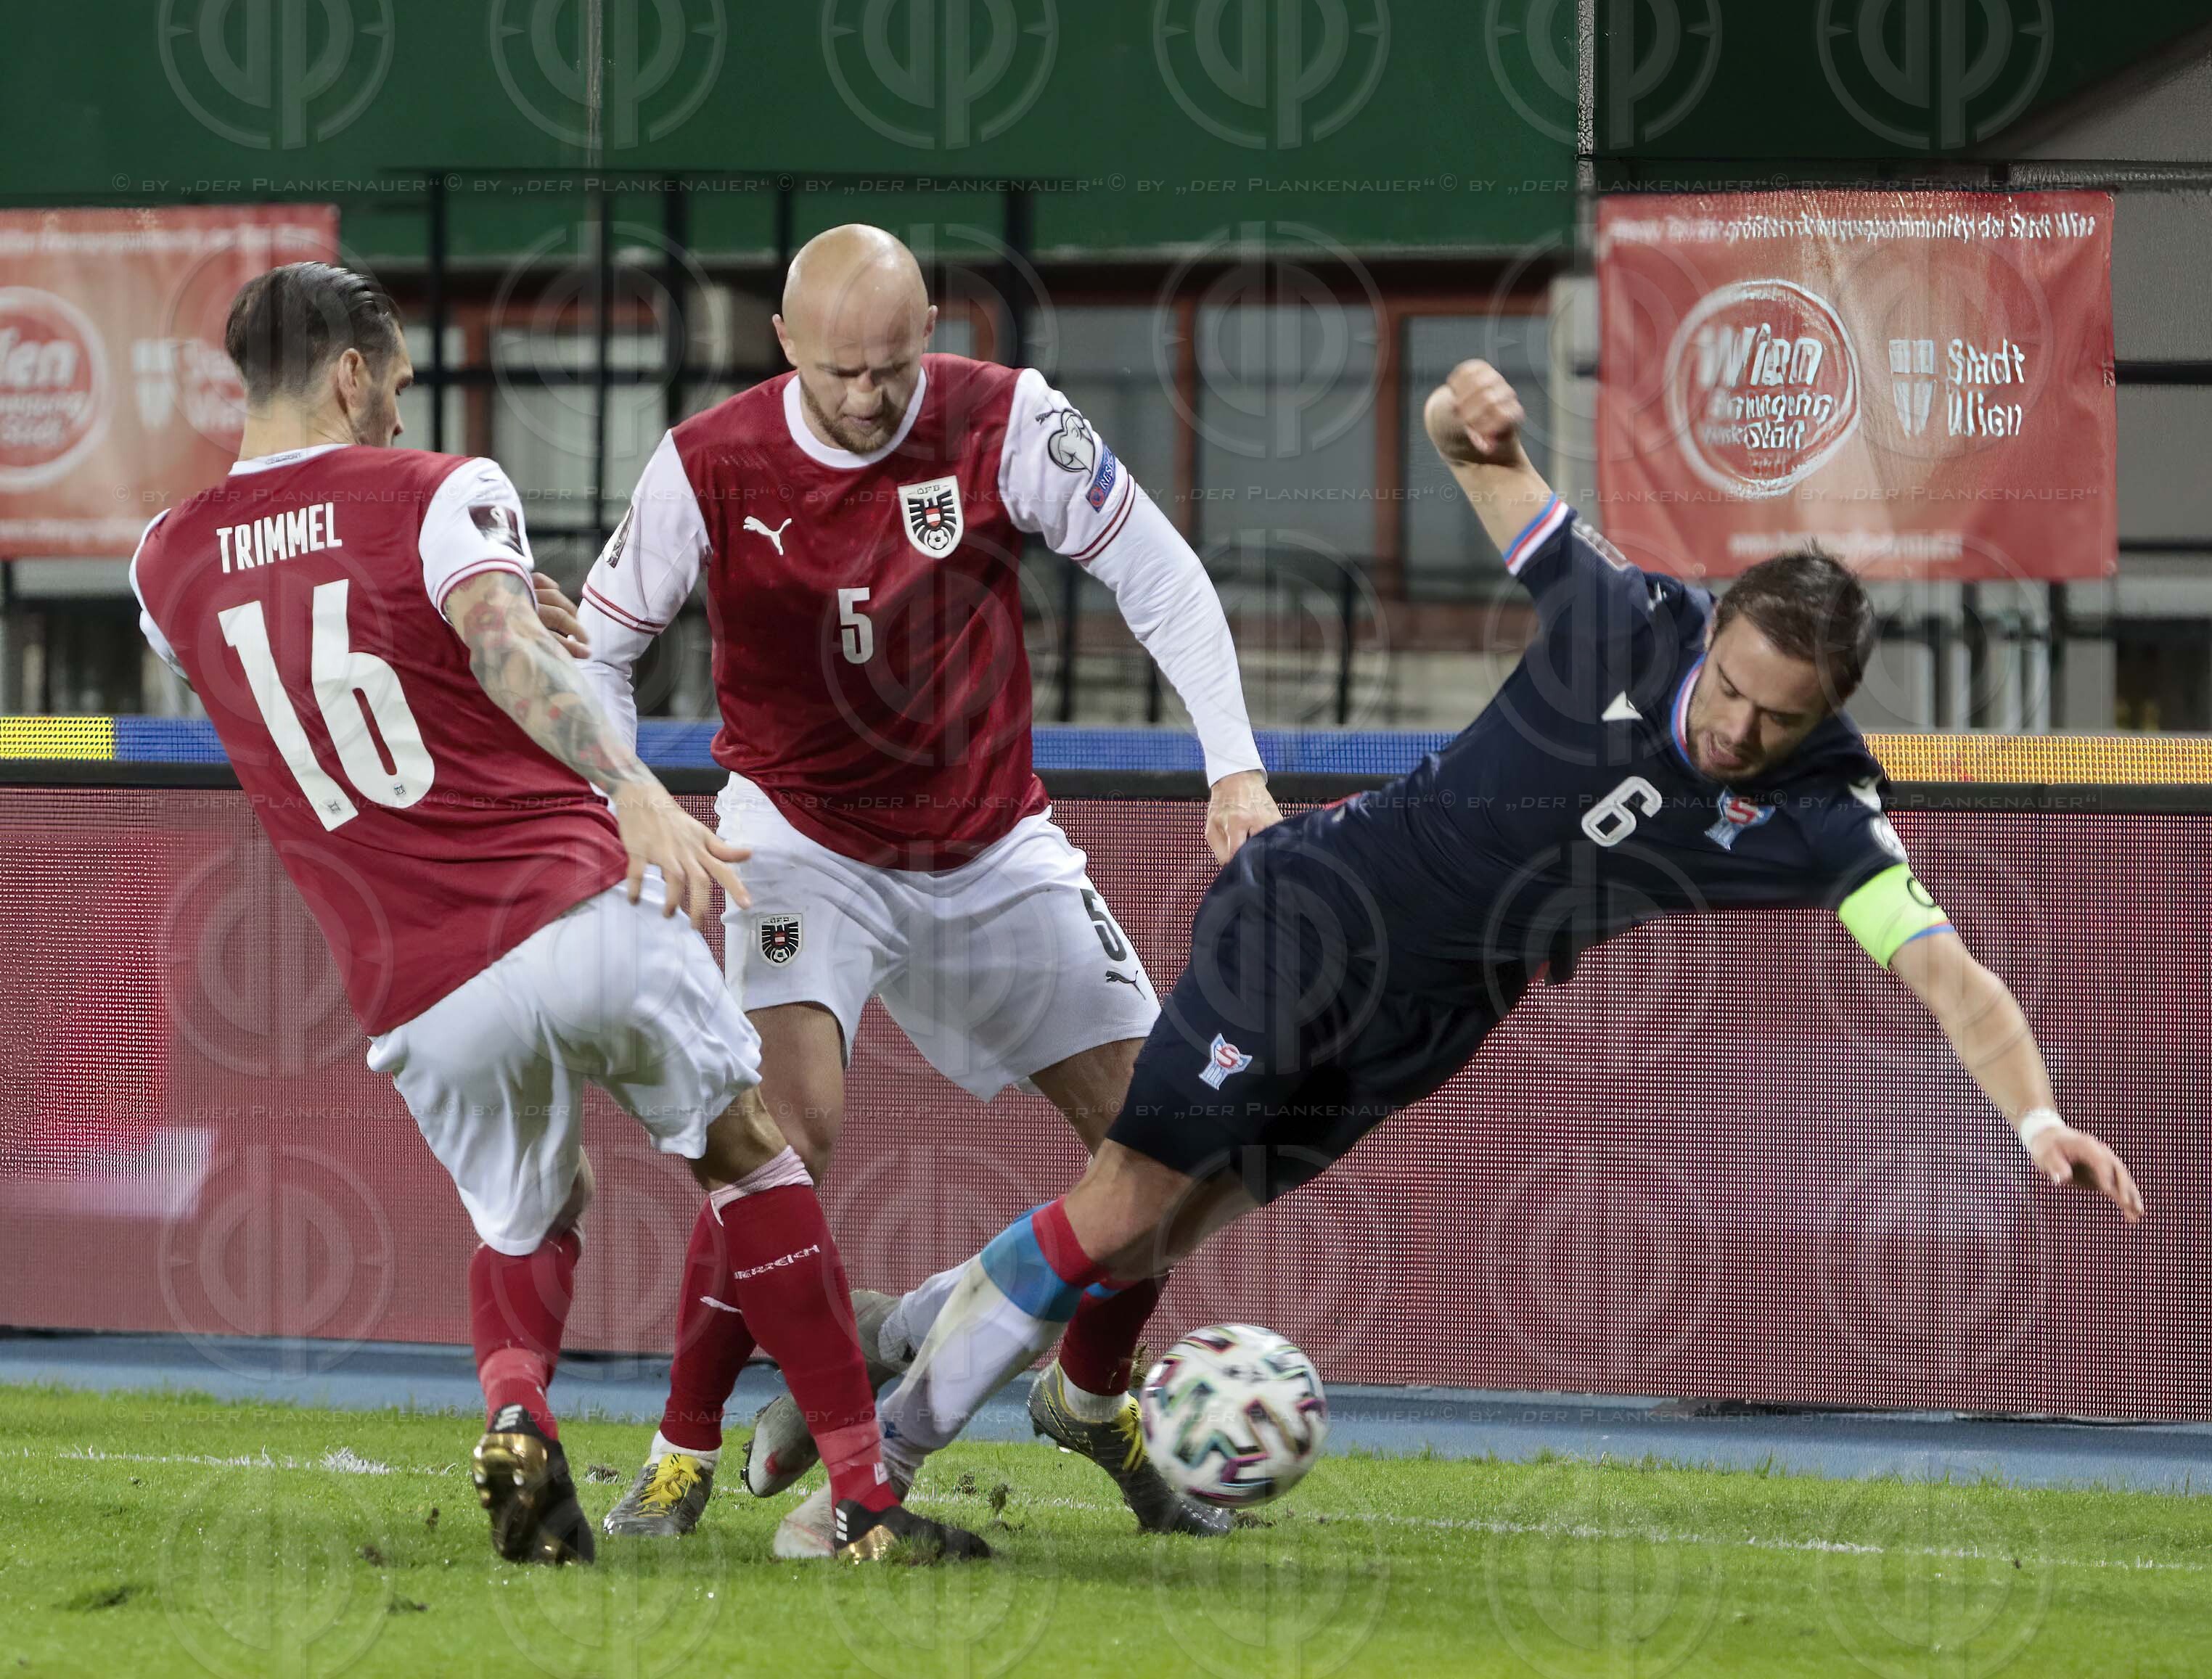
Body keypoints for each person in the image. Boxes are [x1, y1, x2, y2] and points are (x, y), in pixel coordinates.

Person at [855, 356, 2149, 1484]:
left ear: (1831, 712)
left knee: (1170, 1226)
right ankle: (884, 1457)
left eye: (1780, 718)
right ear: (1717, 631)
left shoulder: (1825, 810)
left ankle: (928, 1330)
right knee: (1132, 1197)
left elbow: (1950, 975)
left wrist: (2037, 1119)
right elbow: (1470, 455)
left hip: (1436, 1015)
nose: (1738, 730)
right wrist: (1466, 419)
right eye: (1733, 689)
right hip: (1319, 909)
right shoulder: (1620, 614)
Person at [130, 261, 986, 1567]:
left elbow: (307, 668)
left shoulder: (162, 561)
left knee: (530, 1214)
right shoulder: (437, 490)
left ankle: (518, 1410)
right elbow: (498, 645)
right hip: (571, 903)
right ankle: (866, 1499)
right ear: (351, 375)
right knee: (749, 1154)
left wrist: (457, 625)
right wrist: (634, 786)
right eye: (397, 384)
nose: (402, 411)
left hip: (417, 984)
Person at [579, 225, 1280, 1550]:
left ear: (930, 334)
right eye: (839, 371)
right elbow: (598, 651)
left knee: (1182, 1148)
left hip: (993, 844)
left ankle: (1063, 1388)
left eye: (891, 369)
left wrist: (1233, 768)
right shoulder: (708, 462)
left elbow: (1160, 574)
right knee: (781, 1140)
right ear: (784, 344)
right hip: (802, 842)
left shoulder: (1009, 421)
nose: (867, 397)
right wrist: (630, 795)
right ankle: (677, 1457)